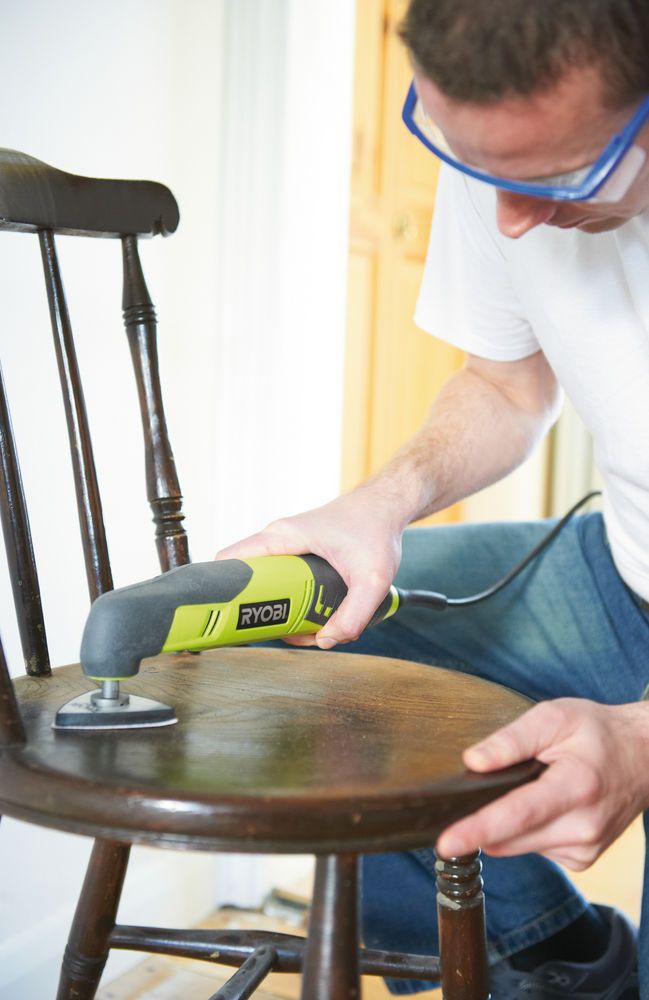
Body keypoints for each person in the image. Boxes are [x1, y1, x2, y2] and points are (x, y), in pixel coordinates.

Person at [217, 1, 649, 996]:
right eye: (478, 167)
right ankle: (551, 966)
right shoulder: (498, 138)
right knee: (296, 645)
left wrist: (637, 740)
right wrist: (382, 499)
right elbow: (505, 384)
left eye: (560, 176)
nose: (509, 219)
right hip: (624, 574)